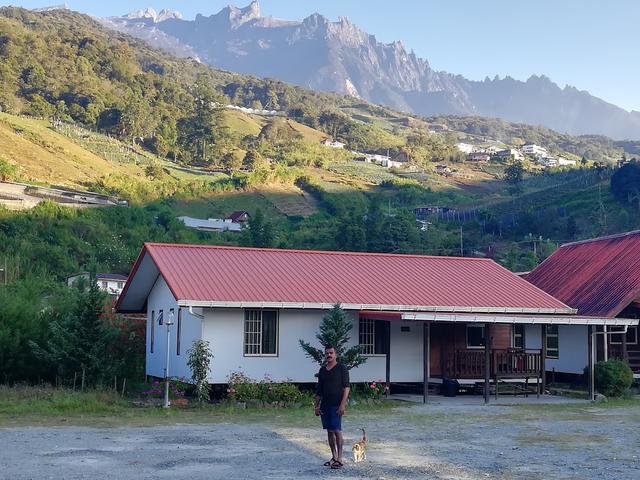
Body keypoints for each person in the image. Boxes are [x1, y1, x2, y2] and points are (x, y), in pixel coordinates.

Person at [314, 344, 350, 469]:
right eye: (327, 353)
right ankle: (333, 457)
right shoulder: (322, 370)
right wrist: (316, 406)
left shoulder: (342, 369)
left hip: (336, 405)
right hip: (325, 405)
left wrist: (342, 405)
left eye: (331, 353)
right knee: (329, 431)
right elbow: (319, 390)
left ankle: (340, 459)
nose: (329, 355)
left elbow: (346, 388)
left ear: (335, 354)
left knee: (336, 430)